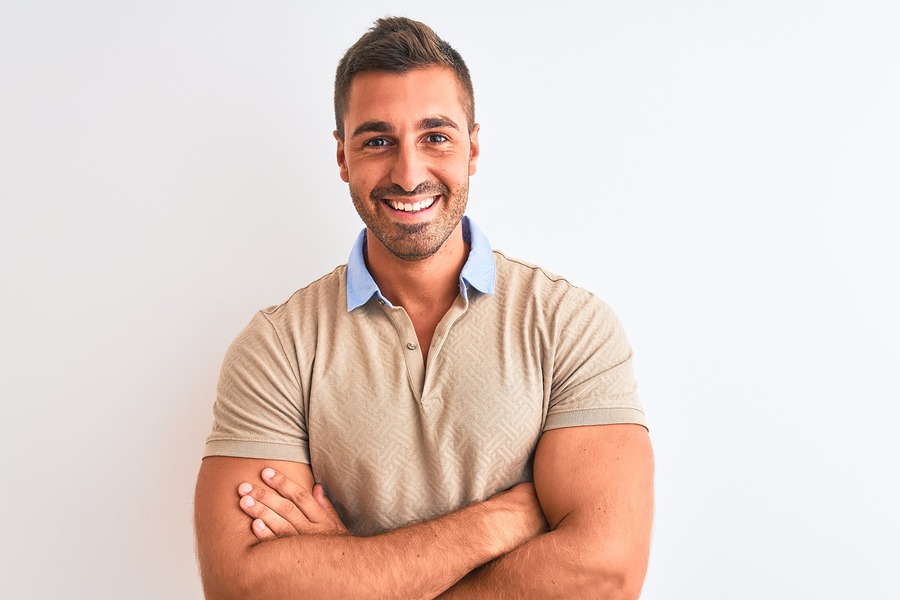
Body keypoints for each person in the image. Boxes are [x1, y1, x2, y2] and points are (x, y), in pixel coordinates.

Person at [194, 16, 653, 599]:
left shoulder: (568, 327)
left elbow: (603, 575)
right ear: (342, 157)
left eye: (435, 136)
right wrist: (497, 523)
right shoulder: (278, 347)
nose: (409, 174)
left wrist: (353, 571)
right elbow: (243, 589)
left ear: (473, 148)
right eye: (377, 140)